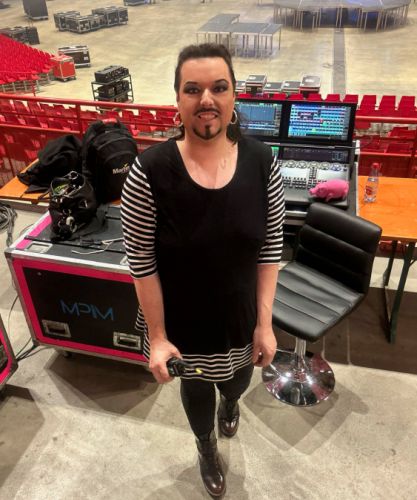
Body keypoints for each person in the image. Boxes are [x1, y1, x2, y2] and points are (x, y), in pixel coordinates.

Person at [121, 43, 285, 497]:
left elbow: (270, 249)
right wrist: (158, 337)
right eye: (192, 89)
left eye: (219, 88)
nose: (206, 99)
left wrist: (265, 324)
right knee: (196, 391)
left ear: (234, 97)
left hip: (241, 317)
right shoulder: (148, 172)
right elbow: (142, 264)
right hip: (183, 325)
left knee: (236, 382)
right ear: (177, 99)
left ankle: (230, 404)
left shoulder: (262, 162)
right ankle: (205, 445)